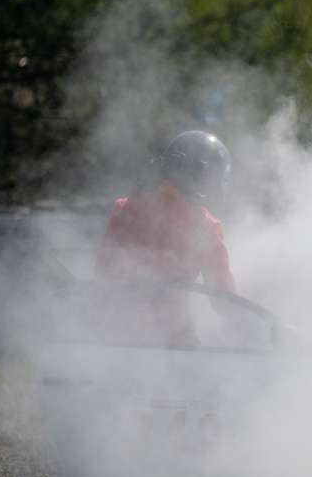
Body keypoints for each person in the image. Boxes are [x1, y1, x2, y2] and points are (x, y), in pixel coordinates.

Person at [95, 130, 236, 347]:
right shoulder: (206, 226)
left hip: (114, 336)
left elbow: (103, 271)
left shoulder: (124, 209)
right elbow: (223, 302)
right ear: (204, 177)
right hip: (173, 341)